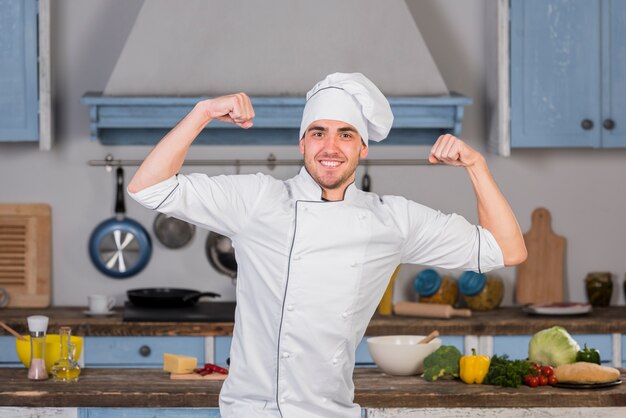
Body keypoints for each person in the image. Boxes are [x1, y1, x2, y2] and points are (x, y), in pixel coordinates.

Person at [127, 73, 527, 418]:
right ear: (302, 143)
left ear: (362, 148)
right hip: (249, 411)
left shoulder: (392, 220)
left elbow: (505, 250)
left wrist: (476, 166)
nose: (330, 147)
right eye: (318, 132)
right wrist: (203, 112)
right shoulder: (257, 201)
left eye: (345, 134)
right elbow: (148, 187)